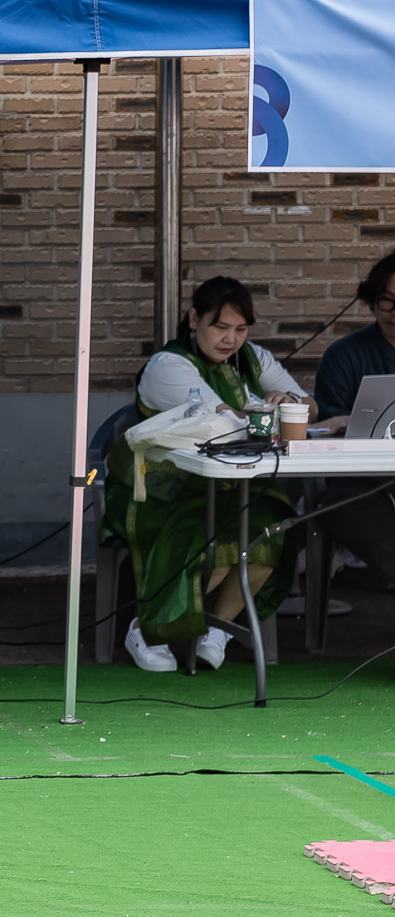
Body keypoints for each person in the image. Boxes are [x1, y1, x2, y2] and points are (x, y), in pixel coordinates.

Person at [105, 275, 307, 673]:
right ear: (194, 318)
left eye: (241, 329)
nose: (230, 339)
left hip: (234, 483)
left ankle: (219, 629)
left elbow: (307, 405)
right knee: (205, 540)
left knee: (273, 527)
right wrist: (273, 412)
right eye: (220, 327)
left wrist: (290, 401)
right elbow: (225, 424)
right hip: (164, 488)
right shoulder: (169, 366)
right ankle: (145, 629)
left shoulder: (254, 358)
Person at [311, 250, 395, 589]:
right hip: (360, 479)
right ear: (372, 302)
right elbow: (325, 426)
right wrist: (342, 423)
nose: (393, 313)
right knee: (343, 504)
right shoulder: (345, 354)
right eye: (386, 301)